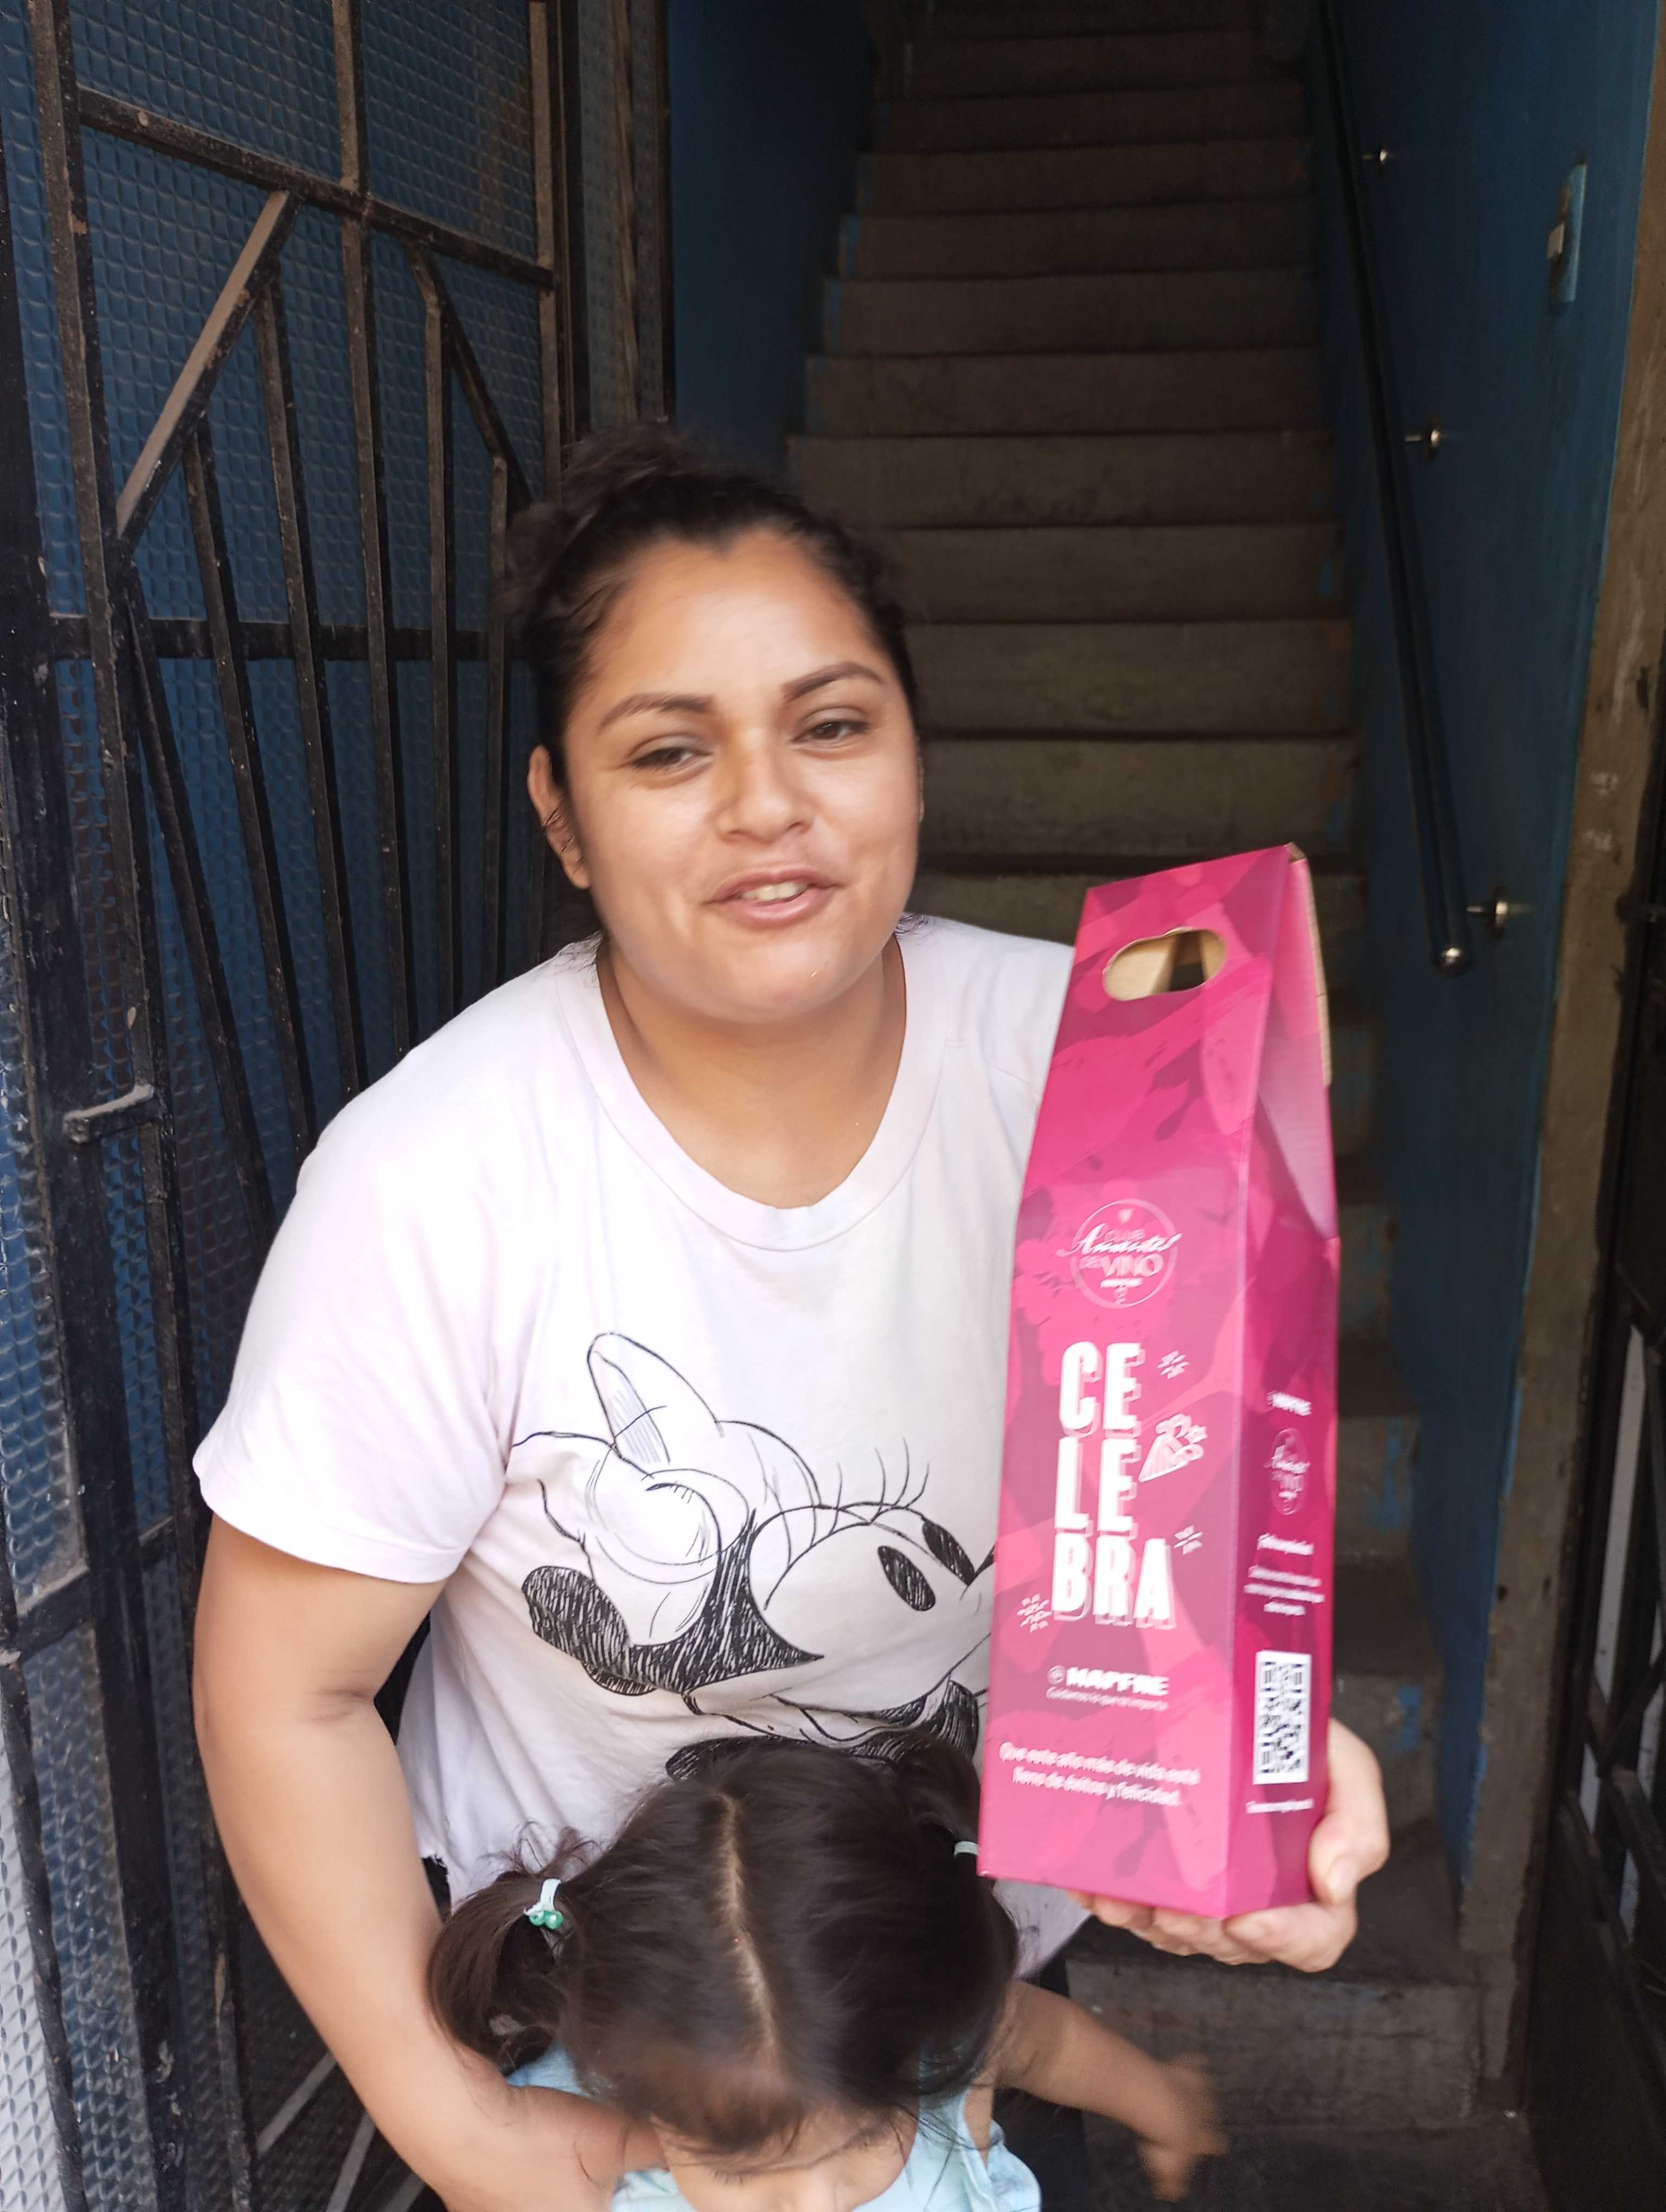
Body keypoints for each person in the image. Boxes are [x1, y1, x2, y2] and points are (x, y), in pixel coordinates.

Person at [193, 427, 1391, 2212]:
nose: (767, 804)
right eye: (670, 751)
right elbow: (286, 1693)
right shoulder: (434, 1179)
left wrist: (1263, 1760)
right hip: (604, 2024)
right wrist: (466, 2133)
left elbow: (1186, 1546)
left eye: (831, 725)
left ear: (912, 751)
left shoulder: (1115, 1074)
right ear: (562, 818)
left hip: (944, 1982)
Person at [426, 1733, 1225, 2210]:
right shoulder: (572, 2125)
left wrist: (1167, 2106)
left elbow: (1053, 2047)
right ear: (631, 2091)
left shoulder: (937, 2040)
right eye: (745, 2174)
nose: (818, 2206)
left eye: (867, 2137)